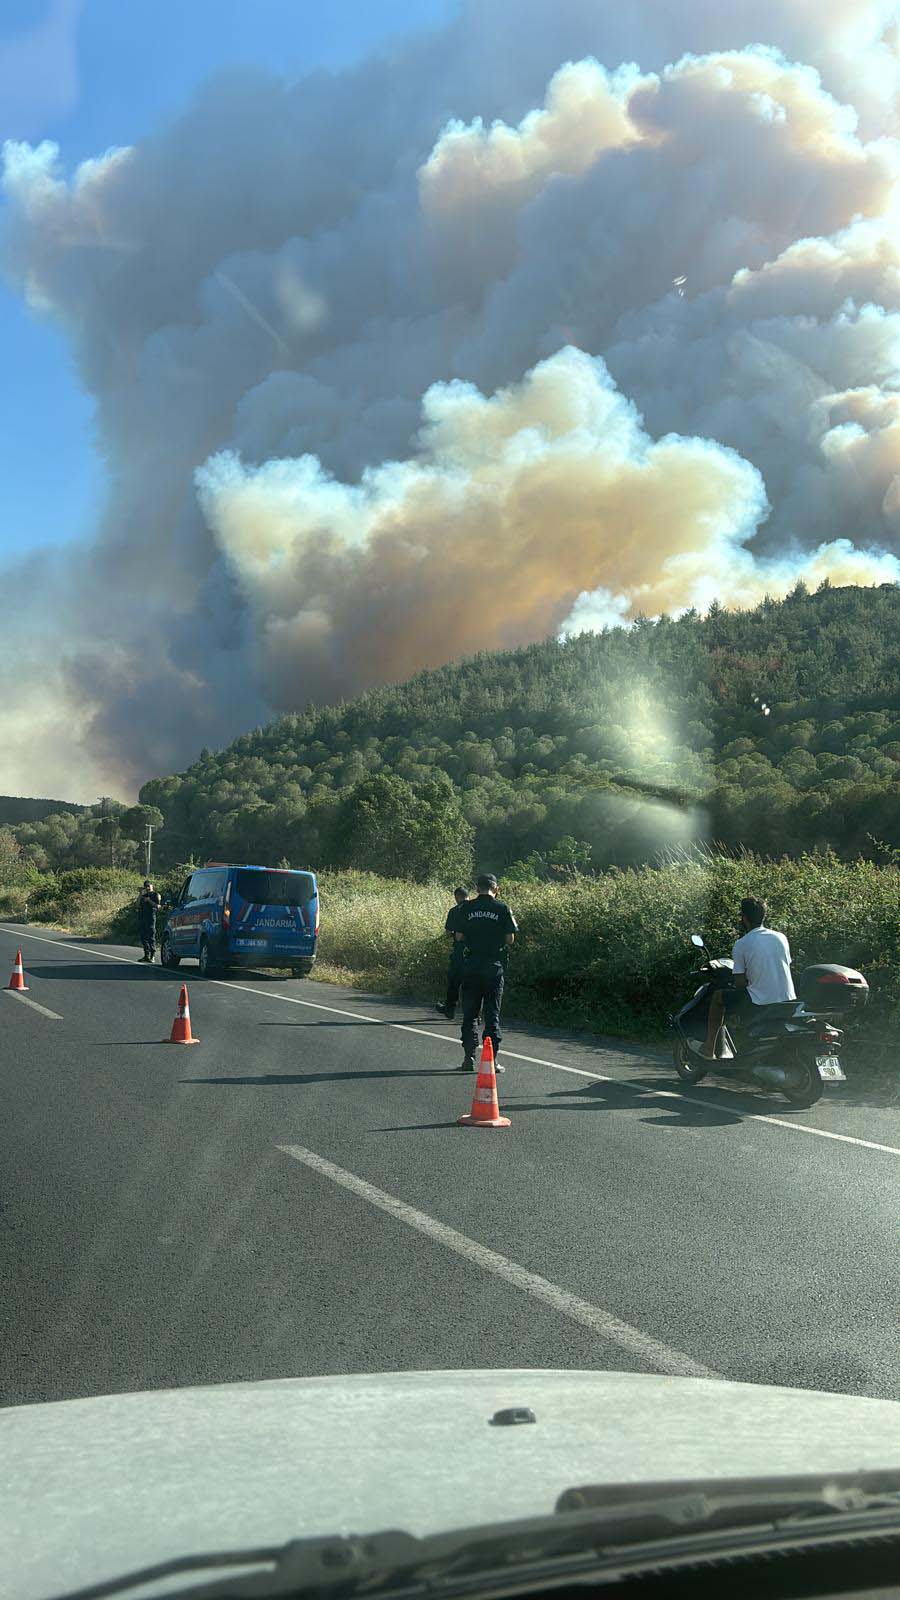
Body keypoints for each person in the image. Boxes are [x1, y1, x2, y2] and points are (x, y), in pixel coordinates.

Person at [702, 896, 796, 1059]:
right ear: (763, 916)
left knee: (718, 998)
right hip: (788, 1001)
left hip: (761, 1003)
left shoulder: (742, 944)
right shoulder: (781, 937)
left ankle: (709, 1049)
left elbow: (739, 982)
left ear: (744, 918)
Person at [456, 873, 517, 1072]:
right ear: (496, 888)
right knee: (492, 1015)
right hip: (493, 968)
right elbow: (510, 939)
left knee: (470, 1014)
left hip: (472, 966)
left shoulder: (466, 907)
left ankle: (468, 1058)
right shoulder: (502, 908)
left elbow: (458, 936)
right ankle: (493, 1061)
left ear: (477, 888)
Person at [435, 886, 470, 1020]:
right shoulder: (475, 908)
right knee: (473, 984)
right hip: (477, 952)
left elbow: (448, 932)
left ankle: (450, 1008)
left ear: (457, 897)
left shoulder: (455, 911)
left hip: (460, 951)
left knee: (454, 980)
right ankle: (475, 1014)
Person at [138, 879, 161, 963]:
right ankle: (146, 955)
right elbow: (137, 905)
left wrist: (149, 901)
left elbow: (158, 906)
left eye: (148, 886)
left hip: (151, 917)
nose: (147, 887)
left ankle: (152, 956)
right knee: (143, 937)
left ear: (152, 886)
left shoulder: (156, 895)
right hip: (143, 917)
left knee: (151, 936)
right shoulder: (144, 895)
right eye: (145, 886)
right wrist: (140, 895)